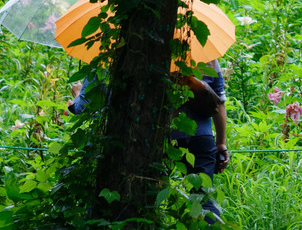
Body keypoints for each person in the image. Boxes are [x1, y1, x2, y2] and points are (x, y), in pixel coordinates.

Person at [70, 61, 229, 220]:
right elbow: (219, 101)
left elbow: (87, 105)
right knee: (203, 197)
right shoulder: (208, 57)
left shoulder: (143, 50)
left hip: (156, 134)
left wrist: (77, 95)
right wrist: (221, 143)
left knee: (147, 190)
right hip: (200, 135)